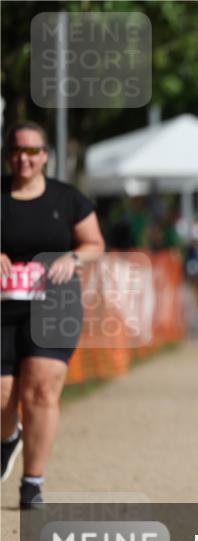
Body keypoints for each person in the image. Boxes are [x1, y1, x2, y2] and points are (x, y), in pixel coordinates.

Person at [0, 121, 105, 508]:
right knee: (3, 397)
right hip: (4, 306)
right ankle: (8, 438)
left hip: (54, 303)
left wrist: (72, 258)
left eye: (32, 151)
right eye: (16, 150)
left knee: (42, 390)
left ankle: (32, 483)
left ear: (45, 156)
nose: (23, 159)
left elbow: (94, 243)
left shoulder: (68, 199)